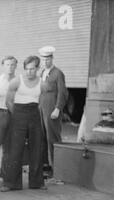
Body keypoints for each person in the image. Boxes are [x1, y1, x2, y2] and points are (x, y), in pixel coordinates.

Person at [1, 56, 47, 191]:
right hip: (18, 114)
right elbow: (8, 101)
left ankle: (37, 182)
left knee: (37, 148)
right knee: (15, 149)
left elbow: (41, 103)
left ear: (38, 69)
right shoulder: (16, 81)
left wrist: (33, 115)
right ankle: (11, 183)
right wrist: (18, 115)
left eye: (32, 69)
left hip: (34, 114)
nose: (29, 72)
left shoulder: (43, 84)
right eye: (27, 69)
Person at [38, 46, 68, 178]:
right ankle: (46, 165)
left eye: (48, 58)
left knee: (52, 137)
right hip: (41, 107)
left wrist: (58, 108)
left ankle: (56, 168)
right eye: (43, 59)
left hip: (51, 107)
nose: (46, 61)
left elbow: (63, 93)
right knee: (42, 137)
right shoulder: (41, 72)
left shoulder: (58, 73)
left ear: (52, 58)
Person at [0, 56, 18, 185]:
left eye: (12, 65)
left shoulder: (19, 81)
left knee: (9, 147)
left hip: (13, 115)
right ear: (3, 66)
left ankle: (5, 174)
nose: (10, 67)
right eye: (7, 65)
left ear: (16, 66)